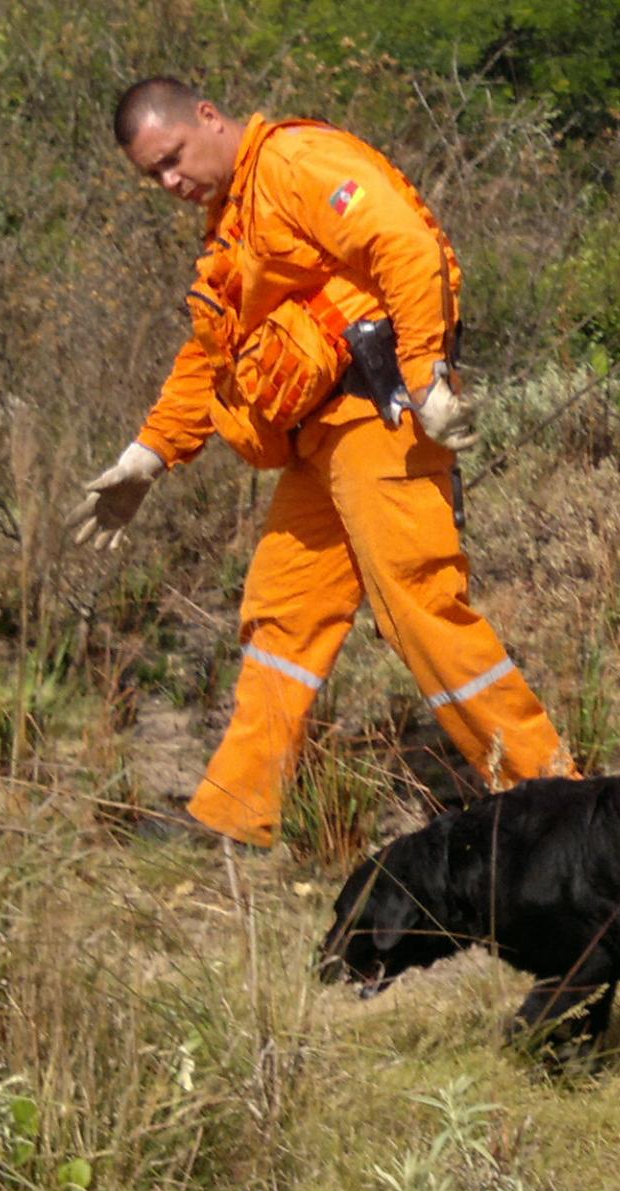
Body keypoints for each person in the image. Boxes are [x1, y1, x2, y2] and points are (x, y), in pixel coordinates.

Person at [72, 78, 575, 844]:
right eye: (155, 176)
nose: (171, 183)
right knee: (283, 618)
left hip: (379, 417)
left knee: (419, 609)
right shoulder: (231, 221)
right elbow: (216, 351)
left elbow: (405, 245)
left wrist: (427, 376)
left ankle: (556, 802)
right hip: (317, 438)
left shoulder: (297, 163)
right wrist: (150, 453)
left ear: (208, 118)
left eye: (173, 159)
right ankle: (233, 814)